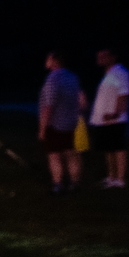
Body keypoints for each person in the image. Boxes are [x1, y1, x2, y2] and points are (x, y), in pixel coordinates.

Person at [39, 51, 83, 193]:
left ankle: (57, 184)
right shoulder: (73, 77)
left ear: (54, 61)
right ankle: (74, 183)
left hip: (54, 124)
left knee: (54, 155)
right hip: (70, 123)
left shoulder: (52, 79)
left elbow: (48, 105)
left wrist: (42, 128)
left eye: (48, 58)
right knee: (71, 153)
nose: (46, 61)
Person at [90, 48, 129, 189]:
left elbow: (123, 94)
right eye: (99, 55)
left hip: (115, 119)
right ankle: (111, 177)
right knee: (108, 148)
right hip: (104, 119)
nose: (100, 58)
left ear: (113, 57)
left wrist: (116, 113)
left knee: (118, 148)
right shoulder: (108, 74)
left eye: (103, 56)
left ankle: (120, 179)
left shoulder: (121, 73)